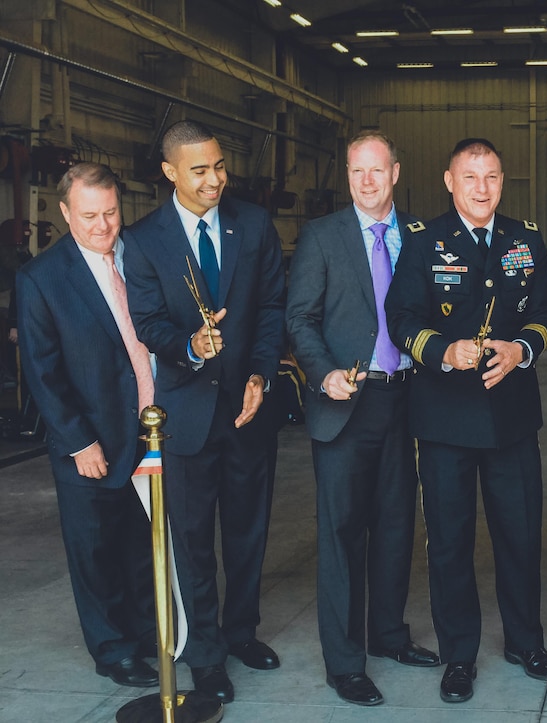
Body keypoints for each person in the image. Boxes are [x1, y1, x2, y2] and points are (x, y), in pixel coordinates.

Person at [386, 137, 547, 704]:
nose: (481, 188)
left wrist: (521, 349)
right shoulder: (424, 243)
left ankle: (525, 641)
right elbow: (401, 317)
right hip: (444, 419)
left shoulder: (526, 239)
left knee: (520, 535)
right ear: (449, 181)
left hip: (511, 417)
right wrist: (441, 350)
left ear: (502, 181)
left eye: (491, 177)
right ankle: (459, 654)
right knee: (450, 543)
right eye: (470, 177)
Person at [125, 120, 286, 703]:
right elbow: (148, 323)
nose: (215, 179)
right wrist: (189, 347)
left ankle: (242, 632)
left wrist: (260, 375)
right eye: (200, 170)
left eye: (219, 166)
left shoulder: (254, 224)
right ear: (169, 172)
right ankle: (206, 652)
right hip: (187, 415)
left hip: (247, 408)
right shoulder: (143, 241)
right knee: (192, 541)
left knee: (248, 531)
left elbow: (271, 307)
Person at [286, 130, 439, 707]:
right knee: (343, 532)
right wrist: (322, 372)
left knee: (397, 525)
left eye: (376, 171)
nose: (367, 181)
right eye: (356, 172)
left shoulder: (421, 235)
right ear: (346, 175)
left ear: (395, 172)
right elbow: (299, 318)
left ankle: (389, 634)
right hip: (345, 400)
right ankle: (345, 661)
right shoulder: (322, 237)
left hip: (406, 399)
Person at [17, 163, 157, 688]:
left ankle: (148, 634)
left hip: (150, 432)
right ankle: (113, 649)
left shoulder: (139, 257)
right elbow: (42, 371)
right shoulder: (41, 278)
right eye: (90, 215)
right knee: (95, 550)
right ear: (64, 214)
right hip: (91, 442)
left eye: (112, 212)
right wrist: (79, 441)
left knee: (144, 545)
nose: (103, 226)